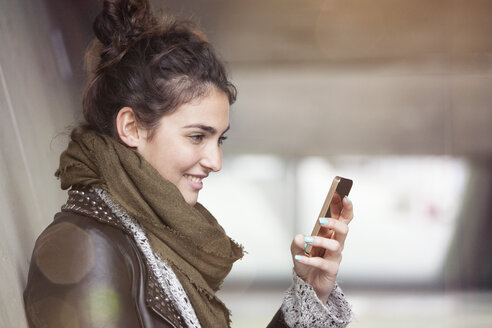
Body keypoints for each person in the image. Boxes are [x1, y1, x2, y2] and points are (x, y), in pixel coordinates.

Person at [23, 0, 354, 327]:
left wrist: (311, 292)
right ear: (131, 128)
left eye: (218, 140)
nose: (215, 161)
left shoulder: (154, 245)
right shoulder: (83, 248)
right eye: (197, 136)